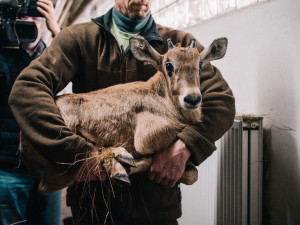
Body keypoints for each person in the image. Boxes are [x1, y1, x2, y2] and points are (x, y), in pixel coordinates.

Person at [9, 0, 236, 224]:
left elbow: (221, 100)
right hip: (94, 206)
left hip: (157, 207)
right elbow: (27, 89)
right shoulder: (79, 39)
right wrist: (76, 152)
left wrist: (186, 145)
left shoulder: (182, 46)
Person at [0, 1, 61, 225]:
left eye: (37, 16)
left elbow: (81, 82)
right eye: (22, 17)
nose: (30, 22)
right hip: (8, 170)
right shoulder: (3, 55)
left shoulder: (54, 56)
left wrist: (59, 33)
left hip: (49, 171)